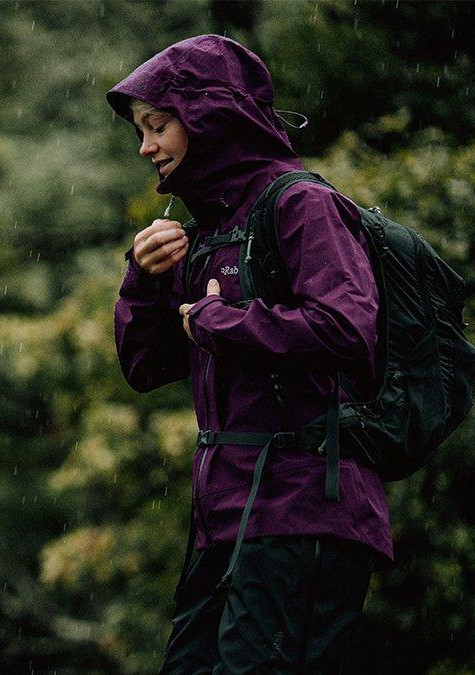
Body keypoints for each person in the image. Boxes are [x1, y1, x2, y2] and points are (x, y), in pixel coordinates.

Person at [109, 35, 390, 672]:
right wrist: (144, 281)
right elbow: (144, 368)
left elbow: (349, 328)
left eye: (158, 125)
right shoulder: (206, 232)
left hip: (306, 509)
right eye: (141, 130)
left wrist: (223, 323)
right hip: (227, 519)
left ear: (210, 116)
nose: (146, 146)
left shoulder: (302, 204)